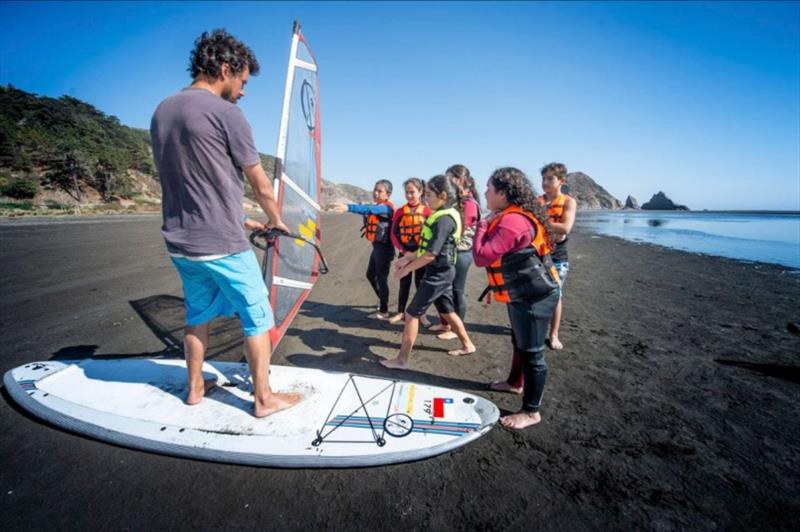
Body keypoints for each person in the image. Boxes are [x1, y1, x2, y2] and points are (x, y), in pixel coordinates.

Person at [150, 29, 302, 417]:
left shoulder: (163, 110)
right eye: (243, 81)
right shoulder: (226, 113)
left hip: (181, 243)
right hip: (221, 244)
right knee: (257, 316)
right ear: (224, 69)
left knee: (196, 315)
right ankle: (264, 400)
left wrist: (245, 220)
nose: (244, 91)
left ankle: (196, 387)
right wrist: (275, 220)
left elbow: (195, 183)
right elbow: (260, 182)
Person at [473, 167, 560, 429]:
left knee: (532, 353)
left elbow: (482, 256)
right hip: (523, 293)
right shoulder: (512, 215)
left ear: (503, 193)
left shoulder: (512, 221)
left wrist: (481, 226)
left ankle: (532, 411)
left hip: (535, 297)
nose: (485, 193)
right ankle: (514, 383)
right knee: (519, 342)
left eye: (489, 189)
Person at [381, 175, 476, 370]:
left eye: (429, 194)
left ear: (442, 195)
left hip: (438, 274)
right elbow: (427, 248)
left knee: (411, 314)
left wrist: (405, 270)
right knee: (448, 311)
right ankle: (468, 345)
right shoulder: (443, 213)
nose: (426, 198)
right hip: (443, 272)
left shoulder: (444, 220)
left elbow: (431, 255)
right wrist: (406, 258)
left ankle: (402, 360)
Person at [332, 180, 395, 319]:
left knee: (381, 278)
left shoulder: (385, 208)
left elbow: (369, 210)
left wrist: (348, 207)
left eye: (380, 191)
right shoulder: (378, 206)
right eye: (375, 190)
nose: (376, 193)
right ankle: (383, 301)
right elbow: (367, 211)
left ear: (388, 194)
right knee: (370, 275)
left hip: (384, 249)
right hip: (377, 248)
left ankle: (384, 311)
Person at [435, 164, 482, 341]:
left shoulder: (469, 203)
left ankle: (456, 328)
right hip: (452, 251)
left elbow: (460, 229)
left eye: (449, 178)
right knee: (444, 290)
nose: (446, 182)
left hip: (461, 253)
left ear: (460, 180)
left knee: (456, 291)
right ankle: (445, 323)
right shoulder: (456, 201)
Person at [538, 163, 576, 350]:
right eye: (543, 178)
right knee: (535, 292)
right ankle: (537, 326)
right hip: (537, 254)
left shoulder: (568, 202)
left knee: (555, 295)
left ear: (562, 180)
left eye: (550, 179)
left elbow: (566, 228)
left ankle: (554, 334)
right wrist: (553, 226)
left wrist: (540, 222)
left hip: (558, 256)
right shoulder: (537, 201)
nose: (545, 182)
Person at [388, 178, 432, 326]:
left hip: (420, 255)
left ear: (421, 192)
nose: (409, 195)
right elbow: (393, 234)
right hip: (404, 253)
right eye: (406, 192)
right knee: (404, 284)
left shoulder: (427, 211)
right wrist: (403, 251)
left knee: (421, 285)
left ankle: (422, 315)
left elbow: (432, 236)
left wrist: (419, 253)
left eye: (412, 192)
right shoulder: (400, 212)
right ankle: (400, 312)